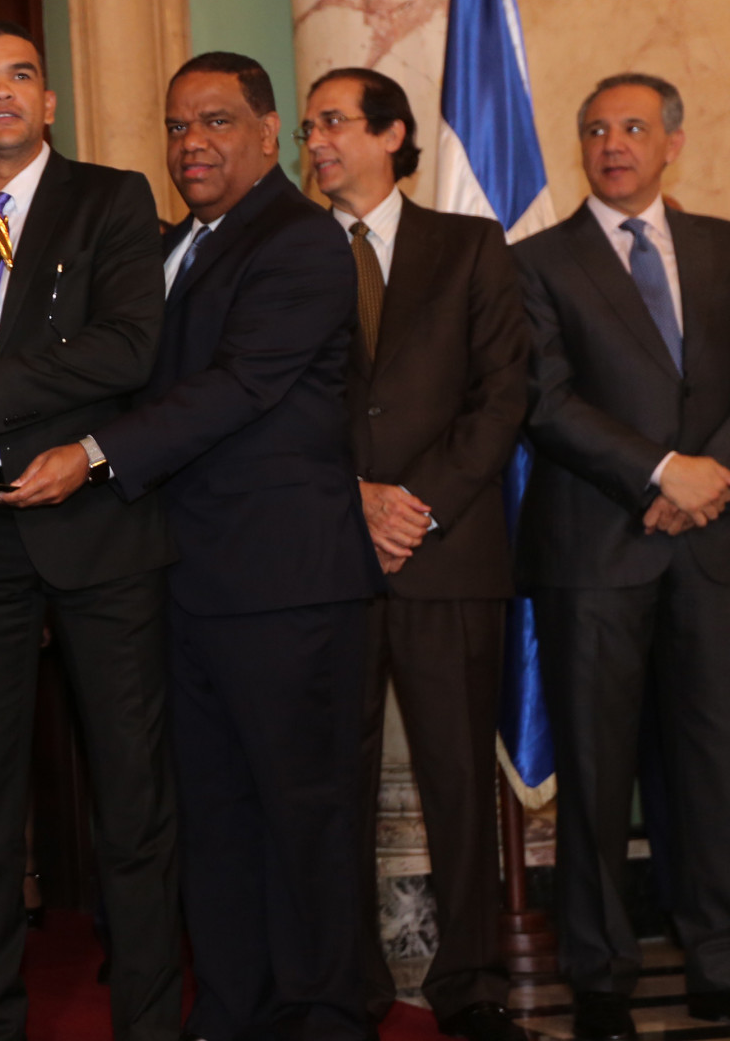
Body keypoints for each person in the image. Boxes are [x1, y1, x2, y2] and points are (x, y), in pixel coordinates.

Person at [0, 19, 180, 1041]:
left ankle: (150, 1022)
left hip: (95, 524)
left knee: (133, 796)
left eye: (20, 75)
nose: (1, 91)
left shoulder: (112, 199)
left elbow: (130, 347)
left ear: (49, 102)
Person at [85, 51, 384, 1041]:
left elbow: (240, 386)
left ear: (267, 132)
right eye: (177, 126)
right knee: (213, 814)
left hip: (287, 584)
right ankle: (234, 1007)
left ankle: (324, 1013)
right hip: (185, 578)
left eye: (215, 121)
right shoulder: (172, 247)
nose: (192, 144)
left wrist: (90, 453)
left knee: (305, 815)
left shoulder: (301, 240)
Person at [302, 67, 531, 1041]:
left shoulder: (469, 246)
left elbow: (503, 394)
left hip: (448, 555)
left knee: (458, 780)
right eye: (308, 128)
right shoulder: (290, 253)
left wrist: (416, 507)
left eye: (333, 122)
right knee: (333, 785)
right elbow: (276, 401)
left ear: (393, 134)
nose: (315, 142)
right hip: (326, 558)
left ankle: (471, 983)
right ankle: (347, 985)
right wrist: (353, 500)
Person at [514, 72, 730, 1040]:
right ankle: (599, 972)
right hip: (595, 545)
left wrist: (709, 476)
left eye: (633, 128)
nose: (613, 144)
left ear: (672, 143)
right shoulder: (535, 262)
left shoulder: (723, 246)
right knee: (596, 774)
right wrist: (661, 473)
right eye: (597, 129)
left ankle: (717, 958)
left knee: (714, 764)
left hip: (712, 545)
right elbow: (546, 401)